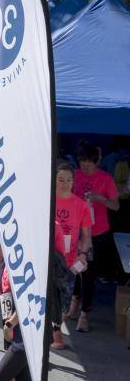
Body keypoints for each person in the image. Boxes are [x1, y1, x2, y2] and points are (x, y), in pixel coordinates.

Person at [71, 141, 119, 332]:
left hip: (98, 234)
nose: (85, 168)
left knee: (89, 273)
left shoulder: (106, 179)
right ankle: (74, 305)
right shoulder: (74, 176)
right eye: (82, 164)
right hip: (77, 231)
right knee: (77, 269)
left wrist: (101, 199)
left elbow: (116, 206)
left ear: (96, 162)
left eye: (89, 165)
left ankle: (84, 314)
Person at [54, 163, 92, 348]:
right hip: (46, 261)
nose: (65, 183)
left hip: (69, 263)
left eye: (69, 180)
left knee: (65, 303)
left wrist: (83, 254)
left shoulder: (81, 205)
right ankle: (52, 332)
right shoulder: (46, 200)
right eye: (61, 179)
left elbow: (86, 236)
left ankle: (56, 328)